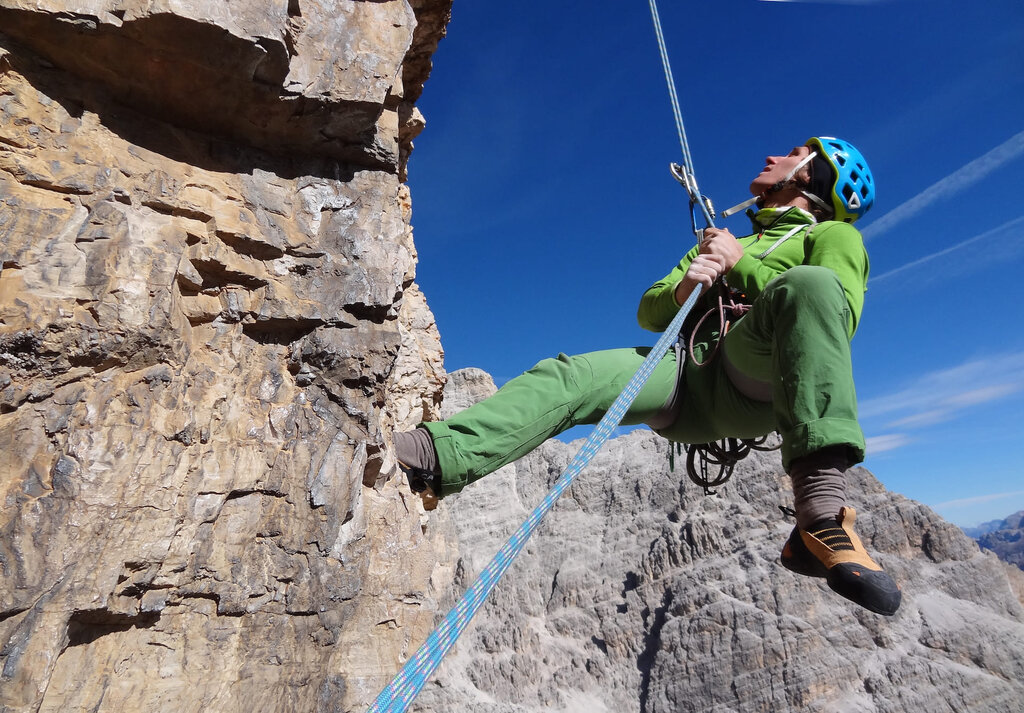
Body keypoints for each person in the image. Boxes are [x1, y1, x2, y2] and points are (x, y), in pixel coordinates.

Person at [393, 136, 901, 616]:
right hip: (690, 370)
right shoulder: (724, 239)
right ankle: (433, 455)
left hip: (756, 369)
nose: (773, 155)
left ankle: (820, 515)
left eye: (793, 153)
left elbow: (836, 308)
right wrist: (687, 290)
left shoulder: (833, 235)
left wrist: (741, 265)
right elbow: (651, 309)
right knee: (573, 376)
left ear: (815, 177)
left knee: (808, 283)